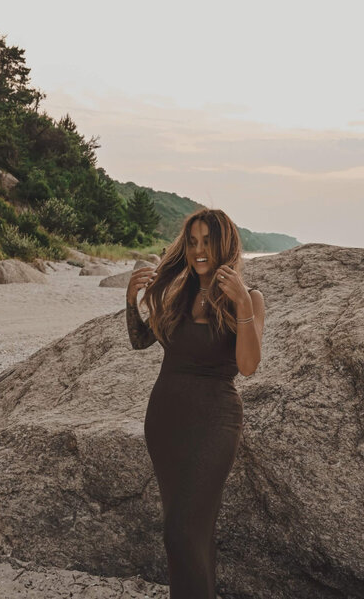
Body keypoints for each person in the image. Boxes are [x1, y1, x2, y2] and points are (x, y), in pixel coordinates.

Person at [125, 208, 265, 598]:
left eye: (207, 241)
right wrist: (131, 297)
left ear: (225, 246)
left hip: (215, 423)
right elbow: (140, 341)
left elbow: (248, 366)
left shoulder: (249, 298)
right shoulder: (177, 293)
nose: (199, 250)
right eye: (192, 242)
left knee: (180, 531)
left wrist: (241, 304)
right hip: (166, 419)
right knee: (191, 532)